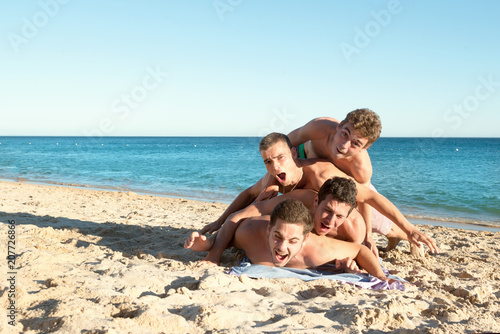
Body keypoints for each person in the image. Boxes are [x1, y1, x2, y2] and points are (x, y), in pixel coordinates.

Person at [201, 132, 439, 259]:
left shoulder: (319, 175)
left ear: (294, 154)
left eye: (280, 157)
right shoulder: (273, 176)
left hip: (353, 196)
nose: (275, 166)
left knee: (381, 228)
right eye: (268, 161)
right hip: (326, 207)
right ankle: (396, 237)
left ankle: (406, 237)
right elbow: (247, 194)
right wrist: (219, 221)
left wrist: (409, 229)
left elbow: (370, 198)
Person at [185, 199, 396, 283]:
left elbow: (359, 250)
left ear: (304, 240)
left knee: (390, 228)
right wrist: (206, 245)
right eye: (277, 237)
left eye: (292, 241)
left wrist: (379, 276)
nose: (282, 247)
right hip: (260, 214)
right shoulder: (249, 233)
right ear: (268, 230)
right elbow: (227, 238)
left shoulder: (318, 250)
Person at [287, 109, 403, 252]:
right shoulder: (320, 127)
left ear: (365, 147)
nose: (344, 145)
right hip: (309, 174)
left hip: (341, 185)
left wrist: (368, 236)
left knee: (375, 222)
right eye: (344, 134)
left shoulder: (361, 167)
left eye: (355, 143)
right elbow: (282, 145)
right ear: (339, 125)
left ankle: (400, 235)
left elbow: (365, 199)